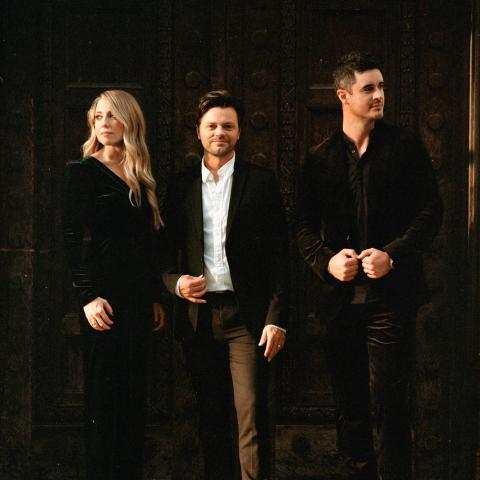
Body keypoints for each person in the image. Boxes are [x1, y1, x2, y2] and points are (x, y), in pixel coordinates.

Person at [295, 52, 443, 480]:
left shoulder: (404, 146)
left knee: (391, 408)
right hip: (340, 303)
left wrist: (392, 254)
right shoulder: (319, 158)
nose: (380, 95)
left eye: (381, 87)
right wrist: (327, 262)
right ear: (344, 96)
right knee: (350, 410)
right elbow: (302, 226)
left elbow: (430, 211)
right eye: (369, 88)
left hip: (390, 300)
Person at [162, 90, 289, 480]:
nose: (220, 132)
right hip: (199, 317)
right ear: (198, 132)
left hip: (246, 319)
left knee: (251, 418)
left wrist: (275, 318)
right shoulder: (180, 186)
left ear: (239, 132)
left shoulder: (260, 182)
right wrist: (176, 284)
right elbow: (162, 253)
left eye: (228, 126)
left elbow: (280, 256)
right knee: (211, 420)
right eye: (212, 126)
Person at [63, 90, 166, 480]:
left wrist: (154, 296)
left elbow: (147, 244)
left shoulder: (142, 171)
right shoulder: (83, 171)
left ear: (129, 121)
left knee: (133, 399)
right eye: (98, 117)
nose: (104, 123)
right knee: (104, 401)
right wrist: (87, 295)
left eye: (112, 116)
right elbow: (70, 239)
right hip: (102, 299)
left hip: (138, 300)